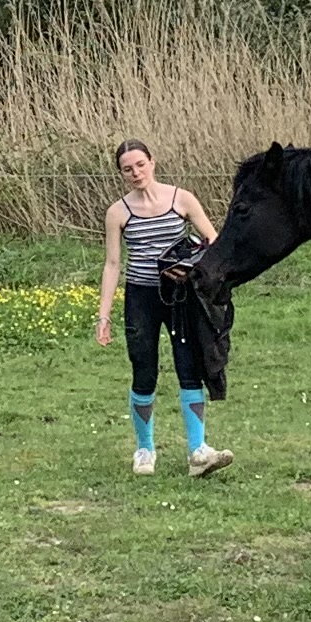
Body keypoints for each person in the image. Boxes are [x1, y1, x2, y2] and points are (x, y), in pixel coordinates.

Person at [96, 136, 230, 477]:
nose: (136, 173)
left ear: (152, 162)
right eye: (128, 169)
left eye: (141, 165)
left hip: (180, 296)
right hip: (141, 297)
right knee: (144, 370)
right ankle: (144, 450)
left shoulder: (181, 199)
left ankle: (198, 452)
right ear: (121, 174)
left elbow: (212, 242)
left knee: (189, 368)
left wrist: (190, 266)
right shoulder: (118, 212)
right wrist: (104, 314)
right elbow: (113, 264)